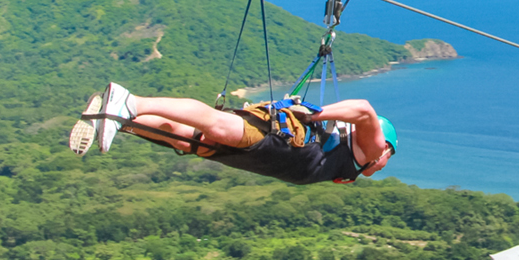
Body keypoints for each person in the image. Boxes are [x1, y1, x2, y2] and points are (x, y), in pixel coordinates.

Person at [68, 82, 397, 185]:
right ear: (382, 150)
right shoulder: (369, 149)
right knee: (217, 124)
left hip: (266, 156)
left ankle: (114, 118)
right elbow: (365, 109)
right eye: (388, 157)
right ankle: (129, 102)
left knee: (185, 138)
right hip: (283, 142)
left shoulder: (350, 167)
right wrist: (318, 113)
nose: (384, 164)